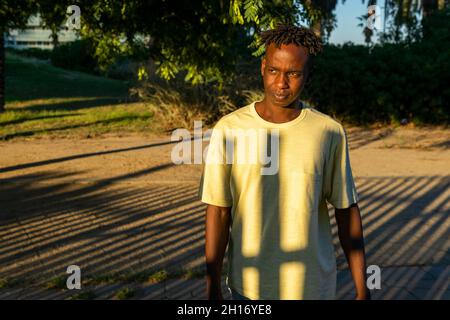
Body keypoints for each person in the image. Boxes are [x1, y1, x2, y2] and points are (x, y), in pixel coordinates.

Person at [198, 24, 370, 300]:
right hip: (250, 287)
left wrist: (363, 289)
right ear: (263, 67)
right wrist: (212, 287)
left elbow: (346, 210)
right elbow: (218, 211)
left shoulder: (328, 132)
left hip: (313, 287)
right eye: (274, 71)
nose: (281, 83)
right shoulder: (229, 130)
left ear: (307, 75)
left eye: (293, 73)